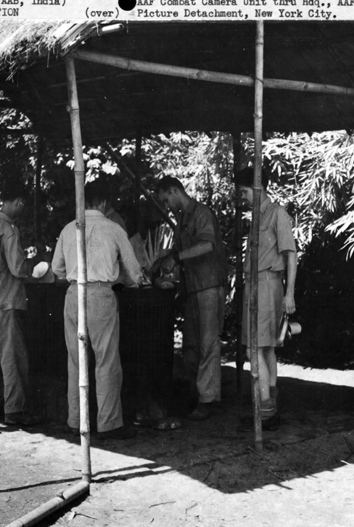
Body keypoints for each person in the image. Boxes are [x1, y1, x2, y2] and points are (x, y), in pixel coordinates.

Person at [51, 181, 143, 440]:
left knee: (75, 361)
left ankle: (76, 420)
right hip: (102, 294)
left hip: (72, 295)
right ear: (103, 203)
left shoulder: (68, 229)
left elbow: (57, 269)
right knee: (106, 361)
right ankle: (109, 423)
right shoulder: (113, 228)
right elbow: (135, 272)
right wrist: (127, 279)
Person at [152, 176, 229, 421]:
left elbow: (206, 245)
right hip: (192, 288)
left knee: (208, 344)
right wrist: (163, 259)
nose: (166, 205)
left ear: (175, 191)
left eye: (166, 199)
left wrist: (177, 257)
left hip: (208, 285)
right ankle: (198, 396)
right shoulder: (181, 219)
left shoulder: (202, 213)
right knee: (192, 346)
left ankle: (208, 400)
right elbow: (178, 252)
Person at [235, 167, 297, 430]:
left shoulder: (277, 214)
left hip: (267, 284)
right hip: (255, 284)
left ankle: (265, 410)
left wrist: (290, 293)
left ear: (258, 188)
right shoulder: (257, 217)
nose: (243, 196)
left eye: (246, 191)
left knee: (257, 348)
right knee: (266, 348)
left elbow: (291, 254)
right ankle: (269, 408)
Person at [0, 180, 42, 427]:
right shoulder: (9, 229)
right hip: (5, 299)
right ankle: (15, 410)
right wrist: (33, 265)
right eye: (22, 205)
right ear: (18, 202)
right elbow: (17, 268)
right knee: (12, 356)